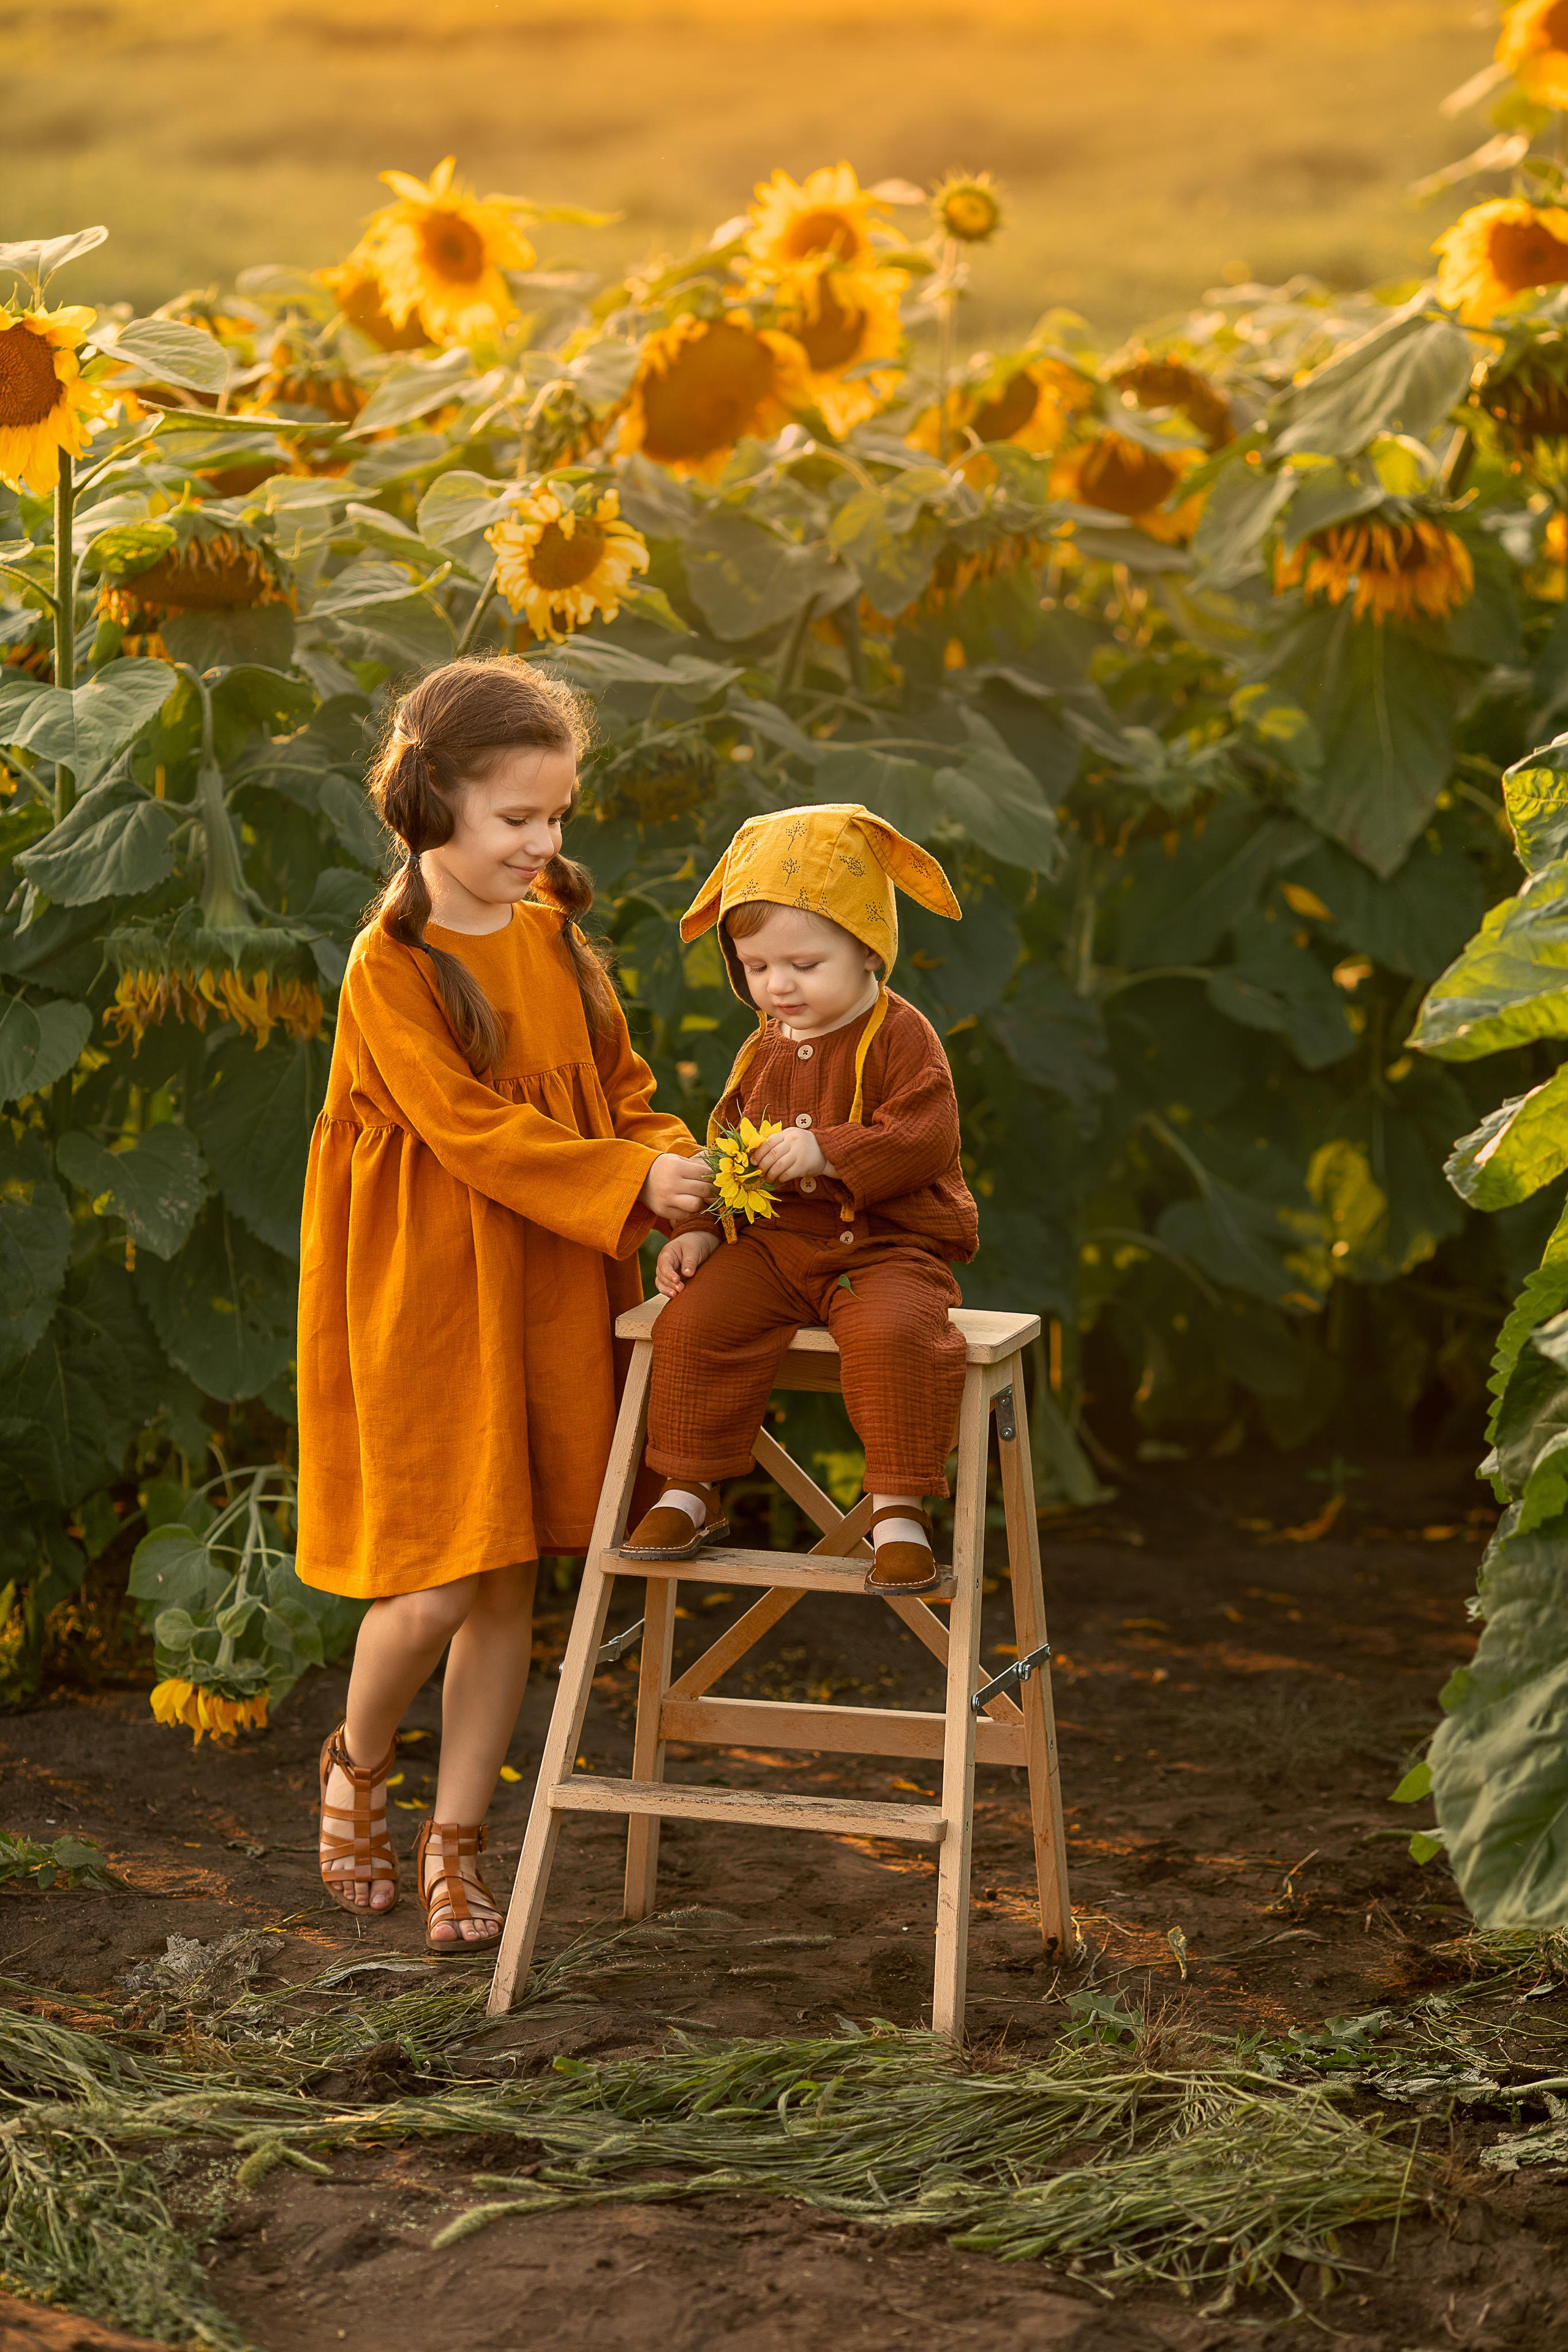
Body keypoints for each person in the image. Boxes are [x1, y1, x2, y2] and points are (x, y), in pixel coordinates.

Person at [295, 655, 711, 1951]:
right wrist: (630, 1180)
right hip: (430, 1290)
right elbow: (470, 1133)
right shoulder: (392, 966)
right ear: (431, 807)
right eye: (515, 819)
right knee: (433, 1577)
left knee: (513, 1571)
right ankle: (357, 1769)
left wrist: (678, 1182)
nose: (543, 844)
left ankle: (455, 1842)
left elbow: (622, 1087)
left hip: (547, 1276)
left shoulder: (549, 935)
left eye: (558, 817)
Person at [620, 802, 979, 1595]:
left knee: (895, 1336)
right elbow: (731, 1145)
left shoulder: (900, 1036)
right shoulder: (763, 1048)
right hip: (778, 1247)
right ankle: (689, 1487)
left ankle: (897, 1511)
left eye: (805, 966)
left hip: (884, 1246)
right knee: (695, 1323)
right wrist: (706, 1228)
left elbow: (926, 1135)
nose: (777, 986)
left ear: (867, 952)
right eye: (755, 968)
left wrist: (831, 1149)